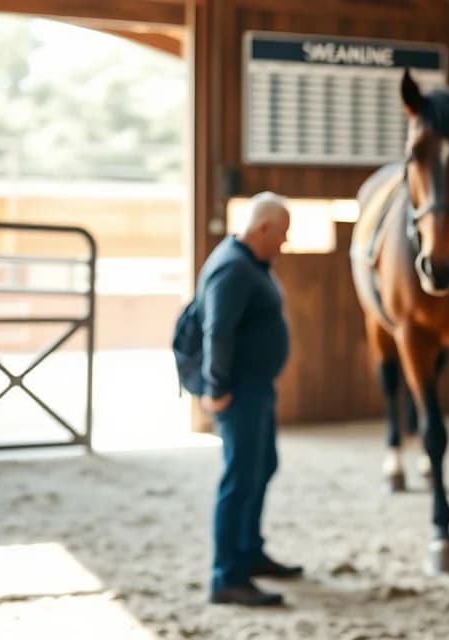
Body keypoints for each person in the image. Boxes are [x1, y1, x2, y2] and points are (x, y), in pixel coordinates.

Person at [197, 191, 301, 606]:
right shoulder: (233, 268)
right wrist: (217, 388)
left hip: (257, 386)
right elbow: (218, 331)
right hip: (239, 391)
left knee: (263, 466)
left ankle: (249, 552)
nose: (285, 242)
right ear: (262, 228)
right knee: (239, 479)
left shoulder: (252, 263)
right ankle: (226, 577)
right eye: (282, 233)